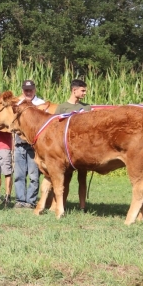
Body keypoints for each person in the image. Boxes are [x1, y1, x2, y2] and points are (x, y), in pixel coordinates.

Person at [54, 79, 91, 211]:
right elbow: (55, 128)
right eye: (83, 90)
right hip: (66, 149)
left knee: (82, 177)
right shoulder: (62, 107)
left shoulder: (87, 108)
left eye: (85, 90)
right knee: (66, 178)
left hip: (81, 149)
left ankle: (82, 206)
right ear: (74, 90)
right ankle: (62, 204)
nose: (85, 93)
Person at [14, 79, 45, 209]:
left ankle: (30, 201)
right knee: (19, 175)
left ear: (34, 90)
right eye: (26, 90)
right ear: (23, 90)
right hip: (19, 143)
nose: (28, 92)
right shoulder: (17, 104)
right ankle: (20, 200)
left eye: (30, 90)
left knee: (34, 175)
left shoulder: (41, 104)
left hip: (34, 146)